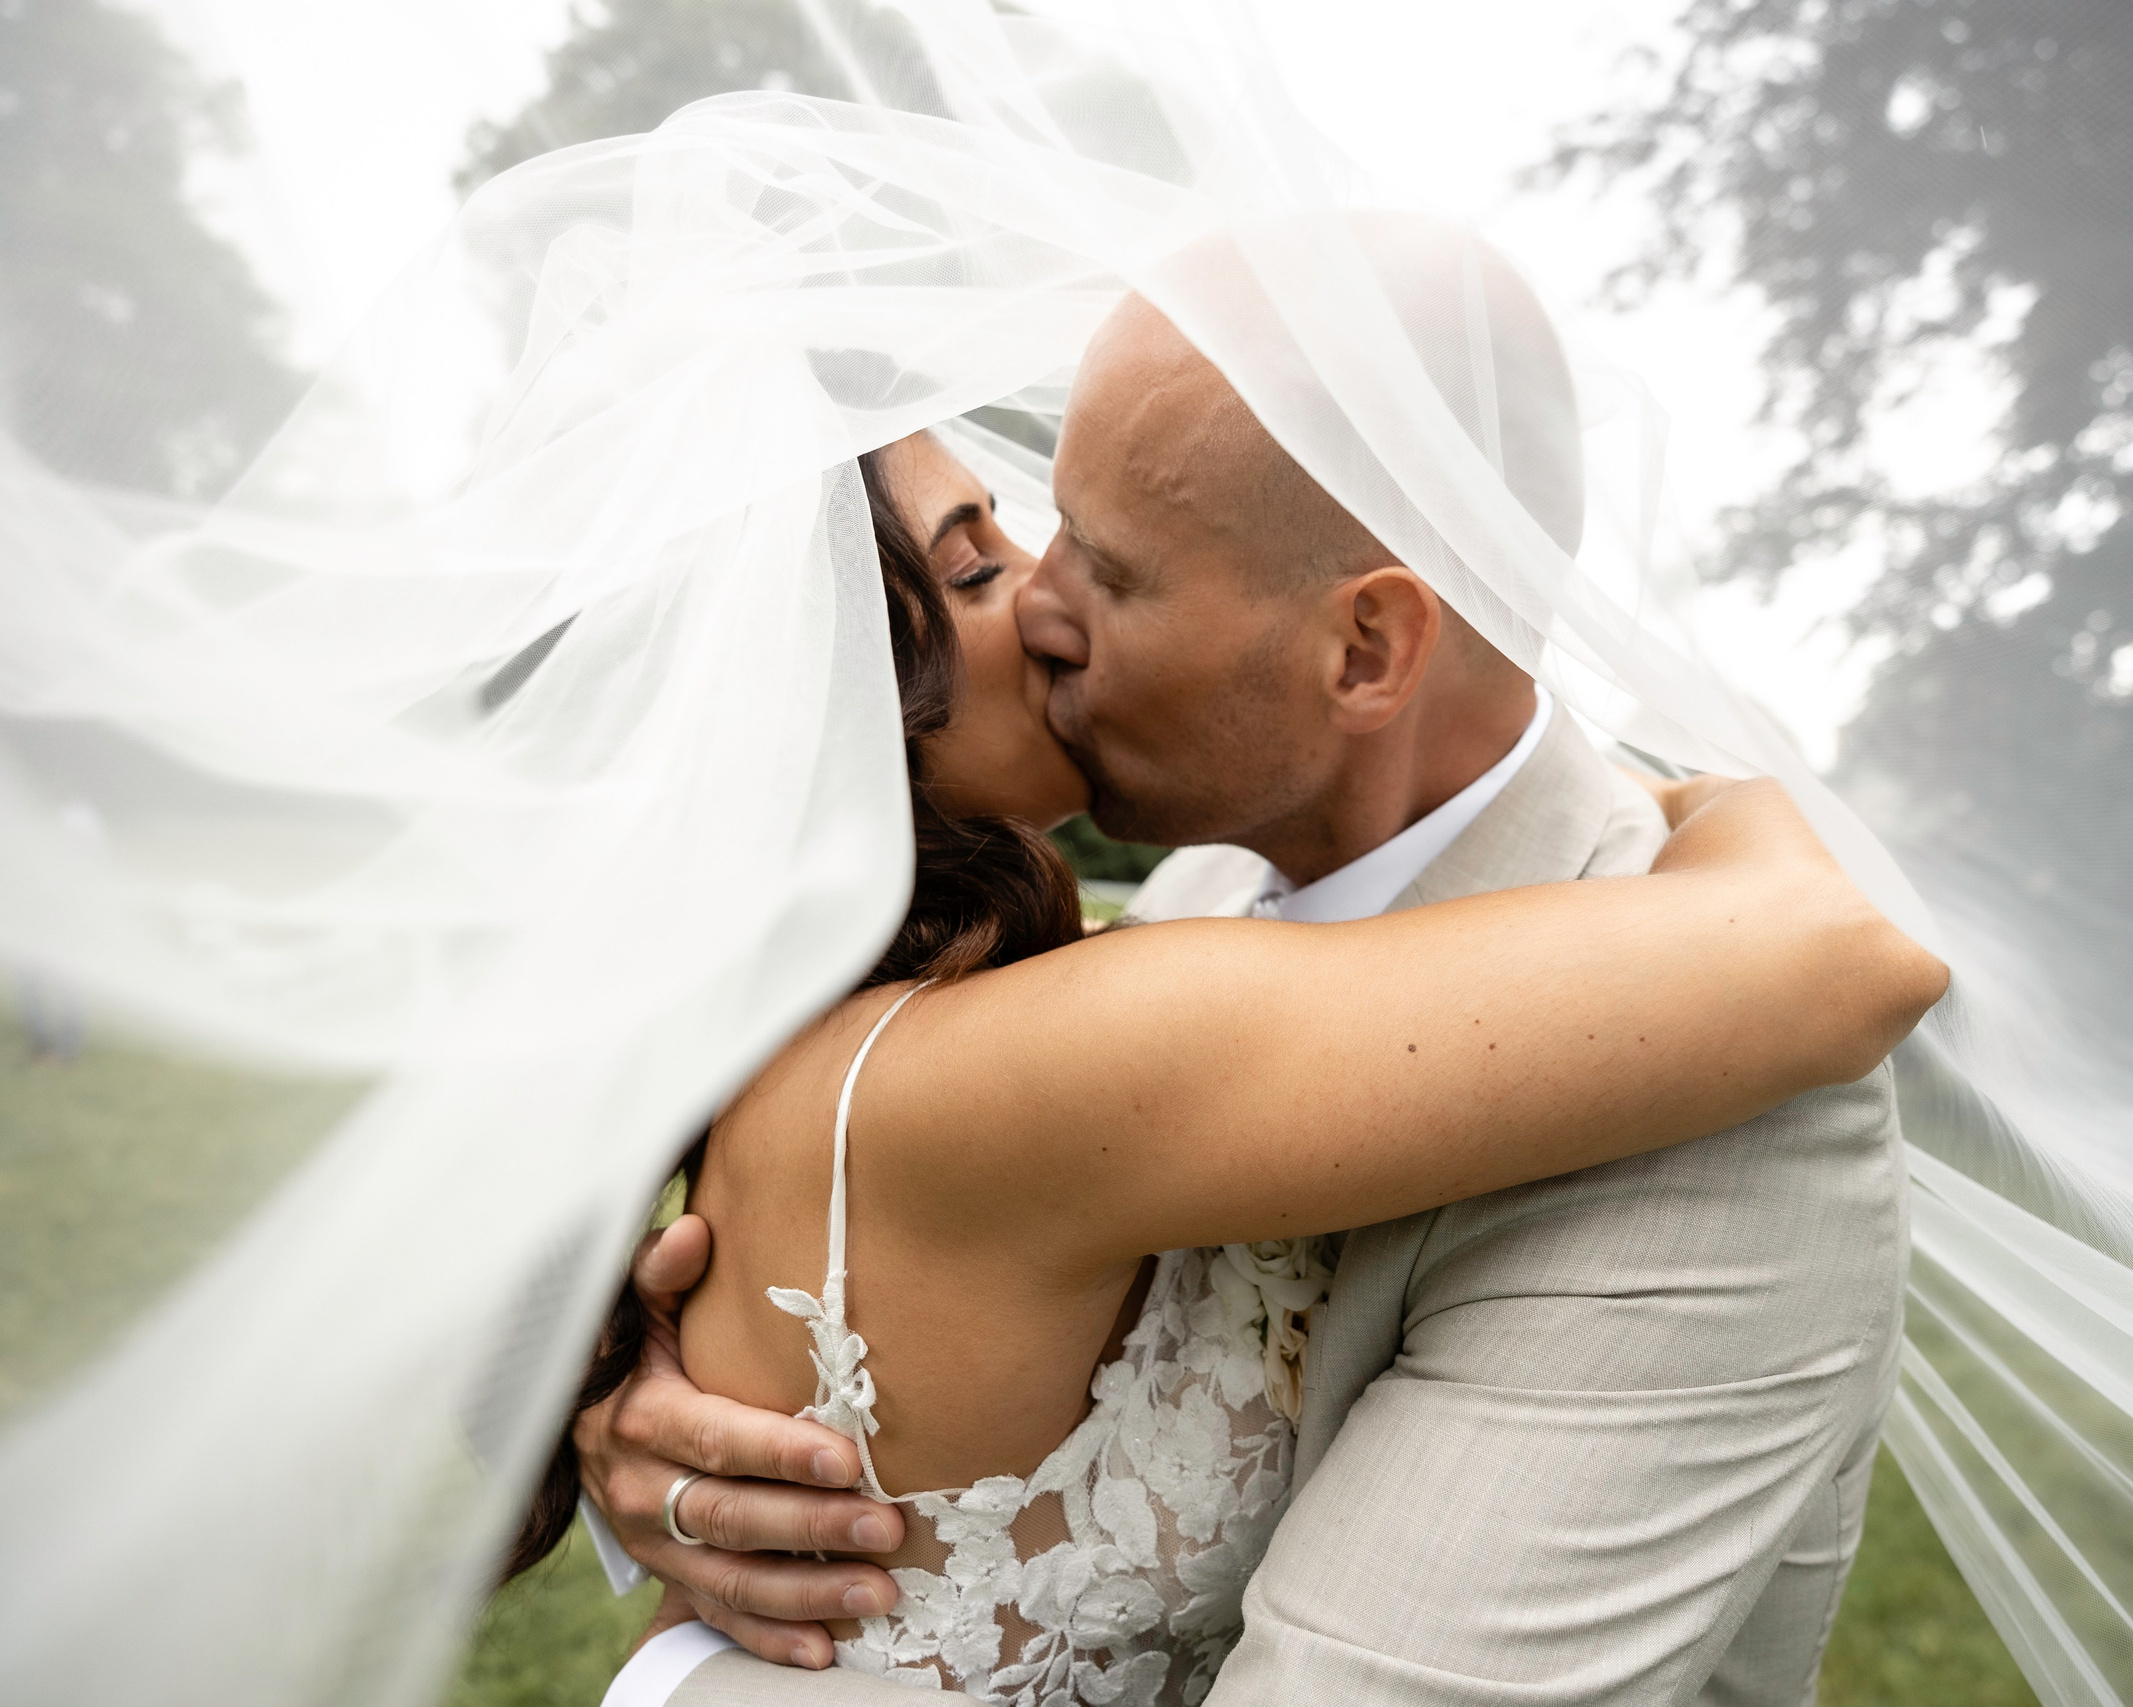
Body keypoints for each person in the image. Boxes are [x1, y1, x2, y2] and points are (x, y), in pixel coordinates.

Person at [576, 238, 1939, 1707]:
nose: (1042, 603)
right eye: (1002, 554)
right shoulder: (1190, 911)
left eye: (1101, 562)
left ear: (1366, 649)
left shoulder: (1734, 1120)